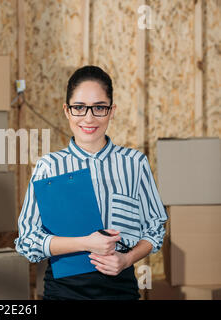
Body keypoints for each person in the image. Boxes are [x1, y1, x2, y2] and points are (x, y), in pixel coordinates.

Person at [14, 65, 168, 300]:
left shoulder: (134, 163)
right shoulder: (49, 167)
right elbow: (27, 242)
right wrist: (85, 243)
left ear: (111, 110)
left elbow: (155, 228)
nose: (89, 118)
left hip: (120, 290)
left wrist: (126, 259)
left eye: (99, 108)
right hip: (64, 291)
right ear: (67, 110)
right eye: (79, 108)